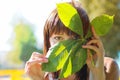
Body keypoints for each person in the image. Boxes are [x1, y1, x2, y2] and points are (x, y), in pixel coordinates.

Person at [25, 1, 119, 80]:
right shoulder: (42, 73)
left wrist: (98, 77)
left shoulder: (108, 67)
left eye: (75, 38)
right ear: (48, 41)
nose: (68, 47)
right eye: (58, 38)